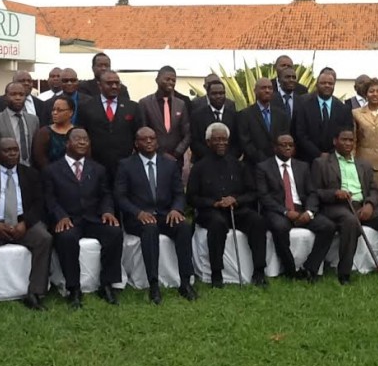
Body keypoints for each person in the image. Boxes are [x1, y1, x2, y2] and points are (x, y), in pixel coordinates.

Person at [0, 138, 52, 317]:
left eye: (15, 150)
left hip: (23, 223)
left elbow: (39, 203)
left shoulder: (30, 174)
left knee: (45, 238)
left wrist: (25, 223)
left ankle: (35, 293)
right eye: (7, 151)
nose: (13, 154)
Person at [312, 128, 378, 285]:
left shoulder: (363, 164)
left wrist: (369, 204)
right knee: (350, 221)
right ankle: (344, 273)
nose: (348, 143)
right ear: (335, 141)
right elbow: (315, 191)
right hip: (337, 206)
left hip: (362, 205)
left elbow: (375, 190)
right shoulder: (321, 163)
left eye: (351, 140)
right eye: (344, 140)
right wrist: (335, 193)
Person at [115, 127, 197, 304]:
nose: (149, 142)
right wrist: (138, 213)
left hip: (165, 214)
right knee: (150, 228)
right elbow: (120, 196)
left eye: (152, 138)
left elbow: (179, 193)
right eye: (144, 139)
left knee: (183, 226)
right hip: (138, 218)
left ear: (157, 141)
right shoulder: (126, 165)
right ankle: (153, 285)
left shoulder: (169, 164)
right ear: (136, 144)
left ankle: (185, 282)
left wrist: (176, 209)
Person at [43, 128, 123, 307]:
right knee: (66, 238)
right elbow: (50, 198)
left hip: (93, 218)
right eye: (77, 139)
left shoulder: (98, 169)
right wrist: (60, 216)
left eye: (85, 139)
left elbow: (106, 194)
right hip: (69, 219)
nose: (82, 142)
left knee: (114, 232)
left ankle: (107, 284)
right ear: (67, 143)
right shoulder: (52, 170)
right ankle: (74, 289)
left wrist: (108, 211)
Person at [187, 123, 268, 288]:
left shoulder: (238, 164)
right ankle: (217, 274)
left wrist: (235, 199)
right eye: (216, 140)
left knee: (257, 221)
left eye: (224, 139)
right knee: (217, 224)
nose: (221, 143)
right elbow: (191, 198)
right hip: (210, 212)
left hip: (236, 209)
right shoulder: (199, 167)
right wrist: (213, 203)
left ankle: (259, 271)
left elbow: (252, 193)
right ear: (208, 142)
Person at [256, 134, 335, 282]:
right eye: (283, 144)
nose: (287, 147)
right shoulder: (263, 167)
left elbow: (312, 192)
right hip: (278, 211)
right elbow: (264, 197)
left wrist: (310, 212)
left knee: (328, 226)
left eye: (291, 145)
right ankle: (290, 270)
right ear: (275, 148)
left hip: (301, 210)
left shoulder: (303, 166)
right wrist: (286, 212)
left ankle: (310, 268)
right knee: (280, 228)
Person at [78, 70, 142, 185]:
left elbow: (138, 134)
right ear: (99, 85)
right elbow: (82, 134)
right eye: (109, 83)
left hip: (125, 165)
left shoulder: (132, 107)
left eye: (117, 83)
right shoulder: (87, 107)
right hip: (96, 165)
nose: (114, 86)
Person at [293, 67, 353, 163]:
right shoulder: (303, 103)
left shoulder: (343, 108)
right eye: (323, 83)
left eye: (330, 84)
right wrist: (318, 154)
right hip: (307, 160)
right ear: (317, 84)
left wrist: (331, 155)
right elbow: (300, 134)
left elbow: (346, 135)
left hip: (334, 161)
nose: (327, 86)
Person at [139, 66, 190, 169]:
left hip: (176, 159)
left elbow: (187, 133)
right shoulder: (145, 103)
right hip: (152, 158)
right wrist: (160, 152)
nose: (170, 83)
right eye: (167, 79)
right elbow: (142, 131)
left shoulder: (181, 104)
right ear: (157, 80)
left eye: (173, 80)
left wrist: (177, 152)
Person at [238, 77, 290, 169]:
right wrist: (262, 160)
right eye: (263, 88)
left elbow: (285, 137)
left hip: (277, 165)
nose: (267, 90)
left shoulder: (281, 114)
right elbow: (245, 142)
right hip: (254, 166)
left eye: (270, 88)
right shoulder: (245, 114)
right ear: (255, 91)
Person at [0, 82, 40, 167]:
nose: (18, 98)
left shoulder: (34, 120)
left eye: (21, 94)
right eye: (13, 94)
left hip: (30, 169)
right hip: (5, 169)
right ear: (5, 97)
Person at [190, 80, 240, 162]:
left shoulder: (234, 116)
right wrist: (212, 158)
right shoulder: (197, 116)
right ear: (208, 95)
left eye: (221, 93)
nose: (218, 96)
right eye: (214, 93)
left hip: (229, 162)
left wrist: (228, 158)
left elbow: (238, 142)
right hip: (205, 163)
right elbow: (195, 142)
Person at [33, 96, 75, 170]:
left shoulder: (78, 132)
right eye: (53, 110)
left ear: (70, 112)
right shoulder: (44, 132)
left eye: (60, 110)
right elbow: (39, 159)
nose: (55, 113)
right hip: (51, 176)